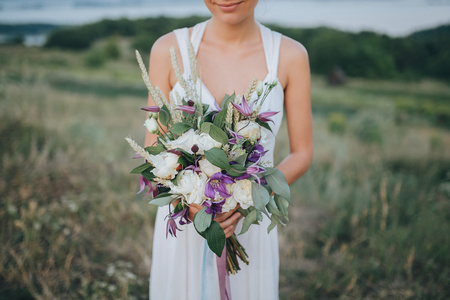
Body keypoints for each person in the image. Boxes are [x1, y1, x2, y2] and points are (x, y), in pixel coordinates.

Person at [145, 1, 313, 299]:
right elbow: (152, 154)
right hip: (184, 228)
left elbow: (302, 152)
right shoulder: (167, 49)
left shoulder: (290, 56)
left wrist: (247, 198)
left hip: (249, 226)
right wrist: (189, 199)